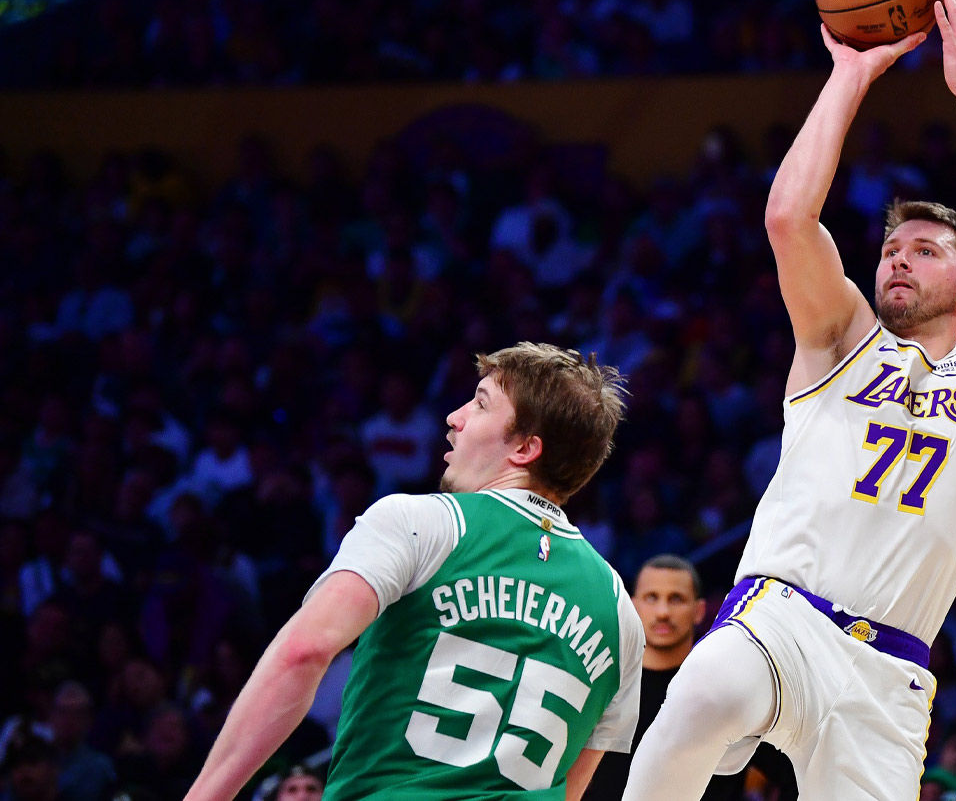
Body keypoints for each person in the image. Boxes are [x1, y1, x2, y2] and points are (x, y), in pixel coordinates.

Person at [622, 0, 956, 801]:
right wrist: (848, 77)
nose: (899, 259)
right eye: (892, 249)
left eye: (925, 251)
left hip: (887, 674)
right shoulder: (841, 339)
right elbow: (789, 219)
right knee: (699, 697)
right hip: (779, 615)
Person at [183, 343, 643, 801]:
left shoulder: (421, 523)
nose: (455, 418)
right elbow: (571, 787)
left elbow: (304, 651)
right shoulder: (621, 614)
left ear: (525, 448)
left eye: (481, 404)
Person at [587, 555, 793, 801]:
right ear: (633, 606)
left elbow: (793, 772)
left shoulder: (727, 687)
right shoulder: (603, 685)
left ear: (700, 610)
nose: (663, 612)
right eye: (652, 598)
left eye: (676, 599)